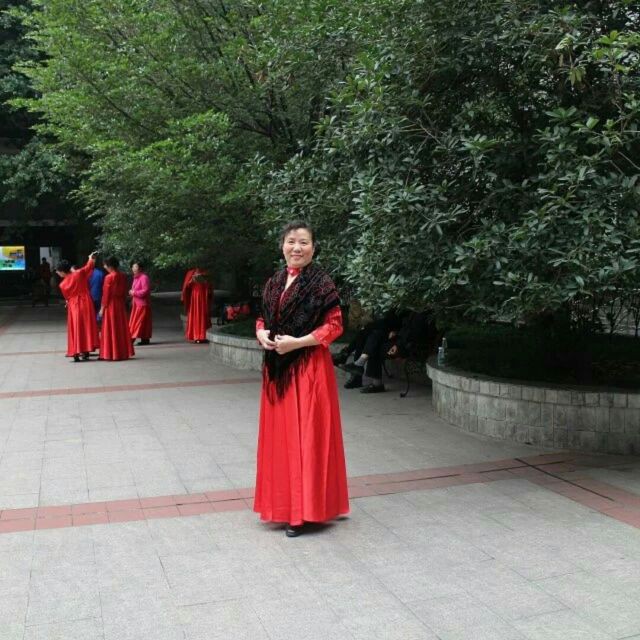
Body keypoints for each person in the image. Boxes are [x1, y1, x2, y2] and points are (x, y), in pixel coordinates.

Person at [254, 221, 349, 537]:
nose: (297, 248)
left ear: (313, 248)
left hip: (308, 370)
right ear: (282, 245)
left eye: (304, 242)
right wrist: (261, 334)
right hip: (277, 372)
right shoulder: (274, 282)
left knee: (306, 437)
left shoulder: (321, 283)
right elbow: (262, 317)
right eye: (291, 241)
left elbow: (334, 326)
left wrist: (298, 343)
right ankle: (286, 504)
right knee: (282, 439)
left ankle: (303, 512)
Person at [56, 252, 100, 362]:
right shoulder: (78, 274)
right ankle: (86, 351)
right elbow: (88, 267)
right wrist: (90, 258)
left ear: (62, 271)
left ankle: (75, 351)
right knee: (86, 326)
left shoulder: (62, 285)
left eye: (58, 271)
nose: (57, 273)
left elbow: (67, 297)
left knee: (76, 327)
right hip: (86, 302)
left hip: (73, 305)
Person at [99, 256, 134, 361]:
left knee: (110, 328)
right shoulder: (122, 276)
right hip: (120, 304)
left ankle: (110, 353)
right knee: (120, 328)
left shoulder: (109, 277)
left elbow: (106, 295)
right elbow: (124, 291)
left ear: (109, 266)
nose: (104, 267)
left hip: (111, 305)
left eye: (105, 265)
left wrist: (102, 308)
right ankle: (122, 352)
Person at [181, 266, 212, 343]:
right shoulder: (190, 273)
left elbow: (210, 287)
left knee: (203, 315)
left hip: (203, 296)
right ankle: (196, 336)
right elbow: (186, 287)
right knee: (195, 314)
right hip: (194, 297)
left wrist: (205, 282)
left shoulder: (206, 273)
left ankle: (203, 335)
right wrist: (191, 281)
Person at [128, 261, 152, 345]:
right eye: (133, 267)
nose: (133, 269)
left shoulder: (144, 277)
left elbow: (145, 291)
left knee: (138, 322)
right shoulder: (136, 278)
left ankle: (131, 339)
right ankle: (145, 339)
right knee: (143, 322)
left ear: (140, 268)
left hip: (142, 304)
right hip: (137, 303)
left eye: (135, 267)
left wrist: (133, 293)